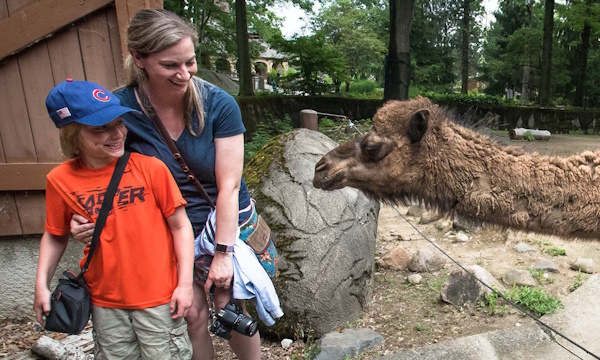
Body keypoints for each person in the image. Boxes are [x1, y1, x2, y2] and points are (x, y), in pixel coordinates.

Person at [70, 9, 263, 360]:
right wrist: (81, 215)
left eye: (190, 62)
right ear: (139, 58)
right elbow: (97, 169)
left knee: (231, 308)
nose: (184, 73)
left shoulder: (219, 104)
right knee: (191, 314)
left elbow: (229, 186)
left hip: (220, 218)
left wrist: (223, 254)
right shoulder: (120, 108)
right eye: (170, 65)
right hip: (167, 226)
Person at [34, 79, 195, 359]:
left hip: (159, 298)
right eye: (100, 128)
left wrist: (184, 284)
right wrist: (41, 285)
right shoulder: (60, 180)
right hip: (105, 302)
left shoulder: (150, 169)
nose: (117, 133)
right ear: (72, 135)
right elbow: (55, 234)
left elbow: (181, 227)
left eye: (119, 122)